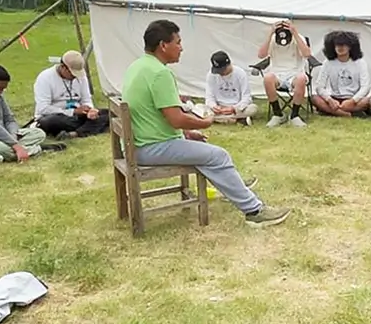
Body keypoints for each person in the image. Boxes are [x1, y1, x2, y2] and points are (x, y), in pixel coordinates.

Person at [121, 19, 290, 226]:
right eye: (178, 42)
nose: (181, 48)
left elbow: (153, 115)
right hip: (149, 148)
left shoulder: (137, 66)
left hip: (137, 143)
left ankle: (233, 187)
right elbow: (175, 119)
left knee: (205, 150)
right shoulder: (160, 73)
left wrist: (187, 134)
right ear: (163, 45)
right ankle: (254, 211)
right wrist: (205, 122)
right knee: (218, 155)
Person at [33, 50, 110, 138]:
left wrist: (90, 110)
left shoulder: (81, 77)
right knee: (49, 121)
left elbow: (86, 99)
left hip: (79, 116)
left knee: (108, 113)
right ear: (63, 67)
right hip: (57, 116)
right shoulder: (45, 78)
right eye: (72, 73)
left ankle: (73, 134)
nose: (75, 76)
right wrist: (72, 112)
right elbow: (43, 108)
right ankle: (93, 127)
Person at [259, 19, 312, 128]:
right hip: (277, 74)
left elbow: (307, 54)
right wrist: (270, 34)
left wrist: (295, 34)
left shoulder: (298, 37)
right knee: (268, 77)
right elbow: (261, 55)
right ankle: (278, 114)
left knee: (301, 78)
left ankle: (294, 115)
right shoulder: (273, 38)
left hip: (295, 73)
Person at [311, 31, 371, 117]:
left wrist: (353, 100)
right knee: (315, 98)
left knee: (367, 101)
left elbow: (365, 87)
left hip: (353, 99)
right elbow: (319, 86)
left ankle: (333, 111)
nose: (340, 47)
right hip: (334, 98)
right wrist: (329, 100)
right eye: (337, 45)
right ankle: (344, 113)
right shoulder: (328, 63)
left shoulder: (360, 63)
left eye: (343, 45)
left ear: (350, 47)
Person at [205, 50, 258, 124]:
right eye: (218, 71)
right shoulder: (211, 75)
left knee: (252, 108)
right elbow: (209, 97)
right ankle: (237, 119)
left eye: (222, 70)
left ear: (228, 64)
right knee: (199, 107)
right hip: (219, 107)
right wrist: (214, 106)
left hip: (236, 108)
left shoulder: (240, 74)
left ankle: (216, 119)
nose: (220, 73)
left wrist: (234, 108)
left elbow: (246, 97)